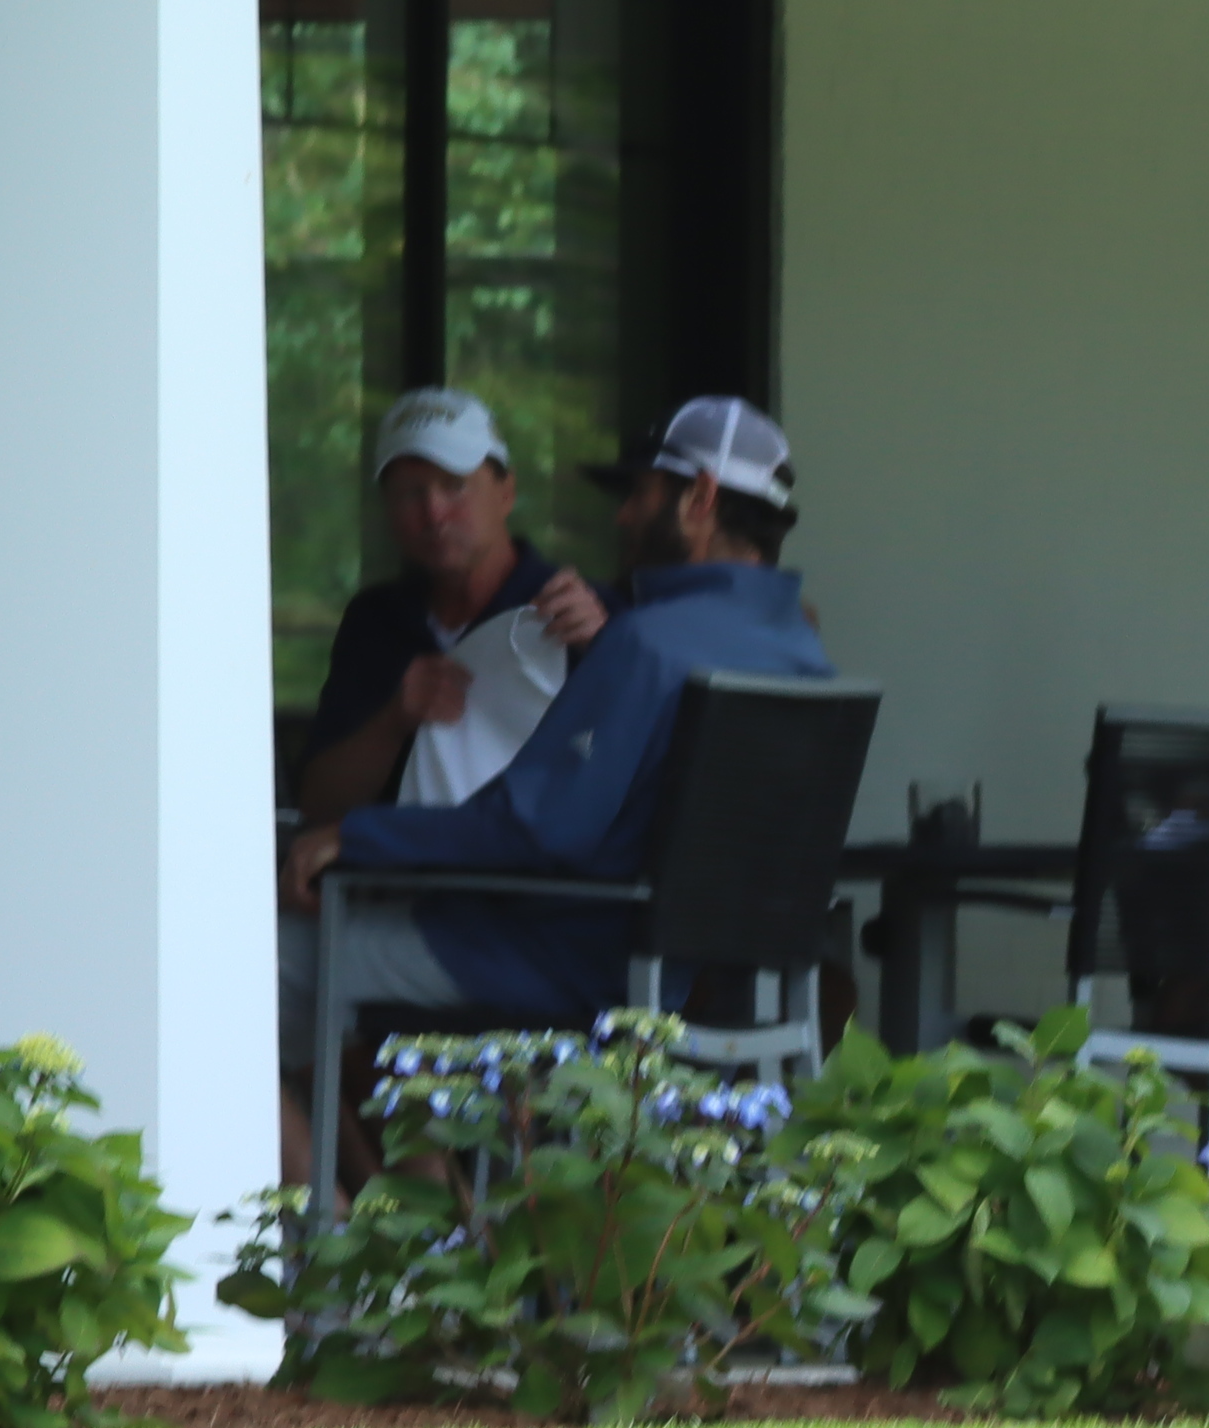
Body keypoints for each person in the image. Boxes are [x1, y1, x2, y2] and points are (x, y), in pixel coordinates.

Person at [311, 394, 831, 1033]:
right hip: (708, 975)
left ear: (699, 497)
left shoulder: (646, 642)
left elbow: (532, 830)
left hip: (562, 959)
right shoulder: (804, 654)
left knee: (268, 959)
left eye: (639, 494)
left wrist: (353, 836)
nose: (623, 516)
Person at [290, 389, 610, 826]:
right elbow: (319, 806)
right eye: (409, 494)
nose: (434, 513)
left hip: (536, 867)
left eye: (454, 486)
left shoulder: (580, 610)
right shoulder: (375, 620)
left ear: (507, 492)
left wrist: (608, 650)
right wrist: (394, 721)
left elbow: (641, 784)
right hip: (397, 867)